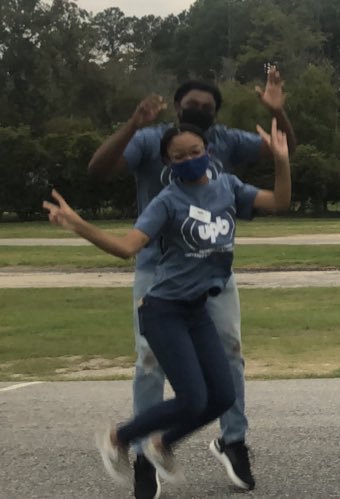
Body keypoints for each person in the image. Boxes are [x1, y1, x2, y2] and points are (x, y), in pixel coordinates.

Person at [85, 69, 297, 495]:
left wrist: (279, 112)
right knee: (150, 363)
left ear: (214, 117)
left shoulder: (225, 143)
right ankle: (144, 452)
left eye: (206, 106)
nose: (198, 110)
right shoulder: (151, 140)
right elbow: (98, 169)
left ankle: (232, 440)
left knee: (230, 357)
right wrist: (132, 124)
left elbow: (283, 148)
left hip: (210, 275)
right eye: (190, 104)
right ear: (176, 107)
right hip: (156, 269)